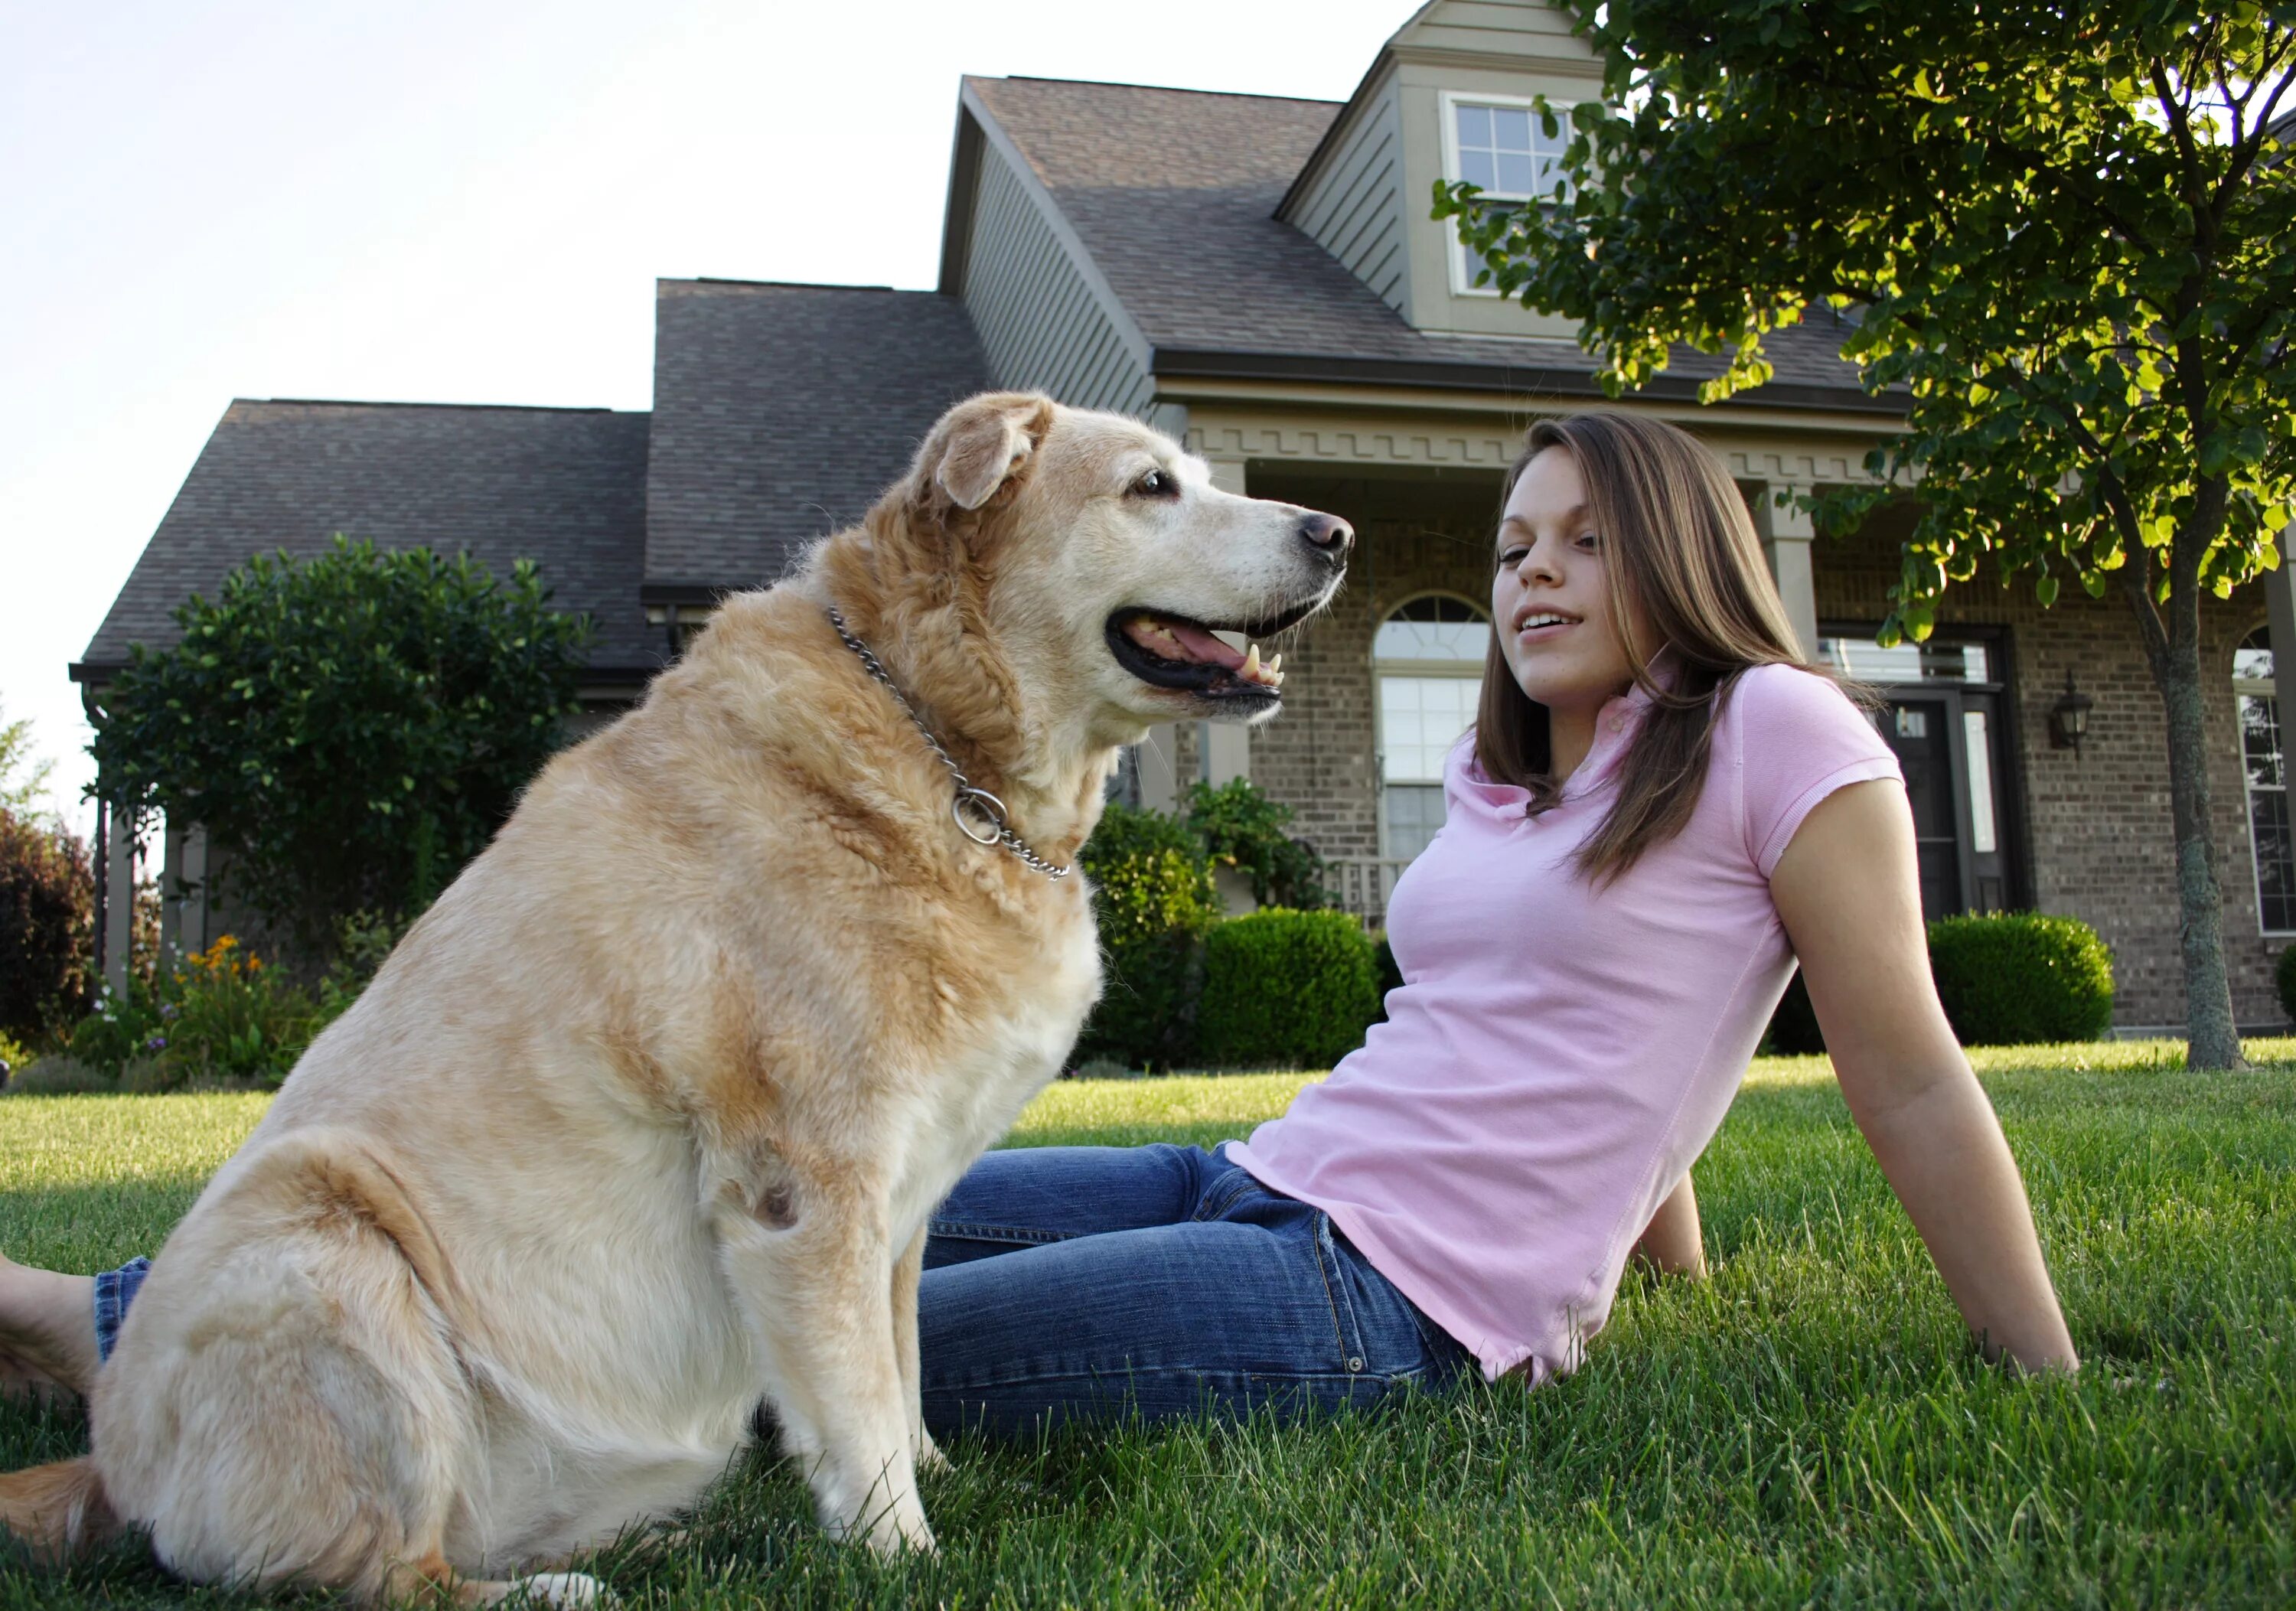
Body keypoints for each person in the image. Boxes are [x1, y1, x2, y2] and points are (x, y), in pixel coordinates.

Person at [0, 412, 2078, 1438]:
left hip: (1379, 1301)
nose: (1532, 578)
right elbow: (1603, 1030)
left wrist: (2041, 1361)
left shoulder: (1790, 732)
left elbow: (1890, 1056)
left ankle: (146, 1358)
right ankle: (131, 1306)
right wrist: (1656, 1226)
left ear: (1687, 542)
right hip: (1255, 1170)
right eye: (1514, 544)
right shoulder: (1551, 770)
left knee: (813, 1359)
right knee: (782, 1203)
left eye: (1580, 538)